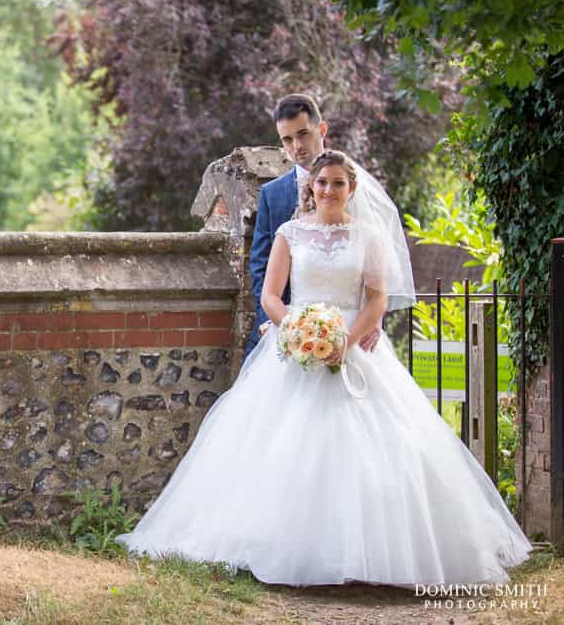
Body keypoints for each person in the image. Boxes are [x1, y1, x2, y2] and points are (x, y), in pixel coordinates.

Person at [116, 150, 531, 587]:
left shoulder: (368, 237)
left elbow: (376, 299)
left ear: (351, 189)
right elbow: (272, 296)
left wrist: (343, 344)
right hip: (295, 350)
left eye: (337, 183)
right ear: (310, 189)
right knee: (276, 448)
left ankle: (377, 554)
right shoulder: (289, 233)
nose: (329, 190)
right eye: (322, 183)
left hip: (355, 347)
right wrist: (296, 331)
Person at [246, 94, 379, 359]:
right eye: (287, 139)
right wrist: (277, 324)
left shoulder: (355, 190)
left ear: (322, 129)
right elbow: (260, 266)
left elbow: (375, 270)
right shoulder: (272, 194)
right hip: (285, 328)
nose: (297, 146)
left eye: (303, 134)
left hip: (352, 330)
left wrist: (373, 320)